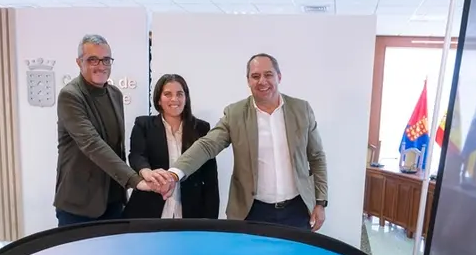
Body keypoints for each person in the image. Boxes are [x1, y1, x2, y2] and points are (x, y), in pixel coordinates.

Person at [149, 53, 328, 231]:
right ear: (248, 81)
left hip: (296, 211)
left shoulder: (301, 109)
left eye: (268, 75)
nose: (262, 81)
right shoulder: (235, 114)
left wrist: (320, 202)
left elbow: (317, 157)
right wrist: (174, 174)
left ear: (279, 77)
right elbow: (207, 145)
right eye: (255, 76)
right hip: (252, 212)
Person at [53, 34, 158, 227]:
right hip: (79, 206)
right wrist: (134, 180)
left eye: (106, 59)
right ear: (79, 62)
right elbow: (92, 144)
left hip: (113, 202)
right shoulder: (70, 96)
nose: (101, 65)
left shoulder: (115, 94)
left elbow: (116, 147)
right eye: (93, 59)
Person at [122, 74, 219, 219]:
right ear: (159, 100)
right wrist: (147, 172)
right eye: (168, 94)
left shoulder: (201, 128)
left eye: (180, 94)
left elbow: (210, 176)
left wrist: (211, 220)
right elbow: (136, 155)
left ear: (186, 98)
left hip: (190, 211)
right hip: (148, 208)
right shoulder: (144, 125)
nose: (175, 99)